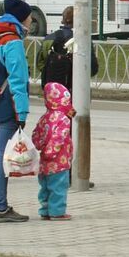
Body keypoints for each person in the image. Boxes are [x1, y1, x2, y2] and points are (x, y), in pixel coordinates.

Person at [0, 0, 33, 222]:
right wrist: (22, 113)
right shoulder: (13, 41)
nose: (31, 21)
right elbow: (18, 79)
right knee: (3, 157)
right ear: (20, 18)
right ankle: (1, 208)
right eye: (28, 17)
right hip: (10, 103)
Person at [32, 82, 74, 221]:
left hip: (44, 162)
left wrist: (41, 148)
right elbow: (59, 137)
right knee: (59, 187)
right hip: (59, 161)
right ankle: (57, 212)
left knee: (45, 187)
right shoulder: (63, 118)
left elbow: (36, 135)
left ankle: (45, 210)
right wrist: (52, 152)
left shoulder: (45, 117)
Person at [38, 5, 99, 91]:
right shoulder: (83, 40)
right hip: (77, 90)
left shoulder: (49, 38)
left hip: (53, 90)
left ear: (63, 19)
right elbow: (92, 68)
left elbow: (40, 63)